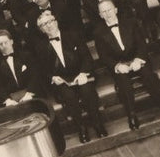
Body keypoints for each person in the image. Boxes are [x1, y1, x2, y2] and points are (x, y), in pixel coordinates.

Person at [92, 0, 160, 129]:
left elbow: (142, 44)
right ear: (100, 15)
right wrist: (118, 66)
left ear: (115, 10)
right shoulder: (98, 32)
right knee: (124, 84)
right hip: (120, 64)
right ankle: (131, 114)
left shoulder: (130, 22)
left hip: (136, 59)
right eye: (104, 12)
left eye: (109, 10)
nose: (108, 13)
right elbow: (104, 56)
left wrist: (139, 59)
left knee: (149, 76)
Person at [32, 10, 106, 142]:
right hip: (62, 81)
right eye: (44, 25)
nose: (48, 26)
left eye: (50, 22)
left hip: (80, 75)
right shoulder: (40, 47)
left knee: (87, 91)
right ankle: (81, 128)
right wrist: (53, 78)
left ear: (56, 22)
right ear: (41, 30)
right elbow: (42, 70)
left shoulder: (73, 36)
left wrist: (83, 73)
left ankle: (97, 123)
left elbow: (86, 58)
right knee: (69, 96)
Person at [0, 29, 40, 108]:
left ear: (11, 41)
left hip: (31, 93)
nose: (4, 46)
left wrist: (29, 94)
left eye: (6, 42)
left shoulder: (26, 56)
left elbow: (35, 76)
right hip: (11, 99)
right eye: (0, 44)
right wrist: (7, 100)